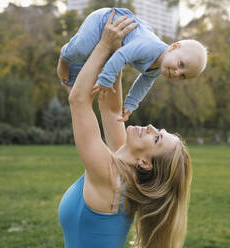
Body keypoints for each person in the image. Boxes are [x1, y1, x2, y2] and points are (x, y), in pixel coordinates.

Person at [58, 11, 192, 248]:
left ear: (145, 163)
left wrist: (103, 45)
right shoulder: (125, 176)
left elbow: (79, 101)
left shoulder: (110, 179)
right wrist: (114, 50)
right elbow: (110, 111)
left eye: (157, 138)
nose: (150, 127)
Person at [57, 7, 208, 122]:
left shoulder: (158, 68)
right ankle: (64, 55)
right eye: (181, 64)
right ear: (174, 47)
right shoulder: (148, 47)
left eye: (183, 76)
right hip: (104, 21)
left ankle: (69, 84)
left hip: (118, 40)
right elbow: (122, 55)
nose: (176, 73)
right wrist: (106, 80)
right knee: (81, 49)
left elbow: (143, 85)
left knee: (85, 68)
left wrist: (130, 106)